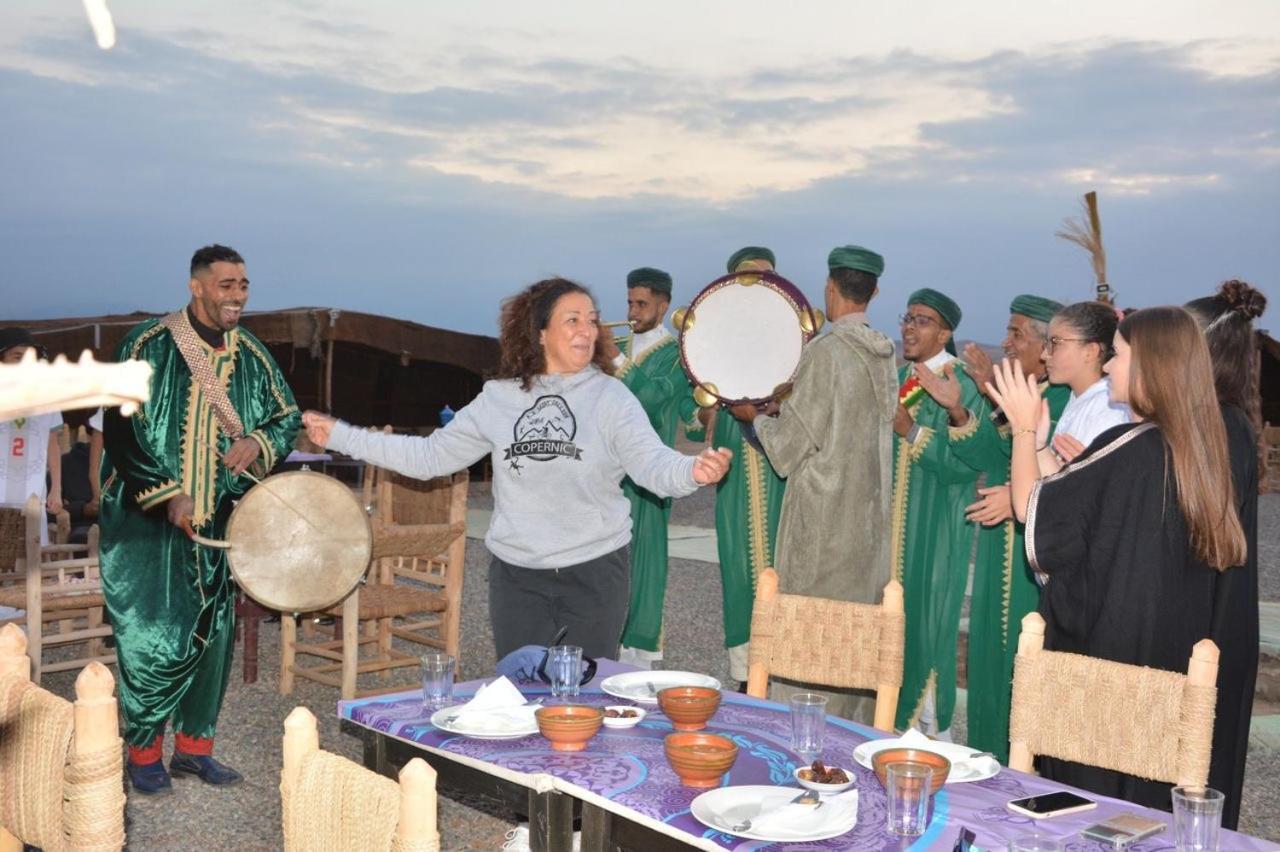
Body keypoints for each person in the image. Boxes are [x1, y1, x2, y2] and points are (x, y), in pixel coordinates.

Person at [302, 278, 731, 666]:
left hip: (596, 574)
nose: (588, 330)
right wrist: (341, 435)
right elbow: (431, 457)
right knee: (521, 699)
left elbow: (653, 465)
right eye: (573, 320)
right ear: (541, 333)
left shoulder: (611, 398)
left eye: (592, 321)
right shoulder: (499, 400)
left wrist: (694, 470)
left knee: (584, 705)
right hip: (517, 577)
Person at [989, 306, 1247, 812]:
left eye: (1120, 356)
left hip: (1107, 672)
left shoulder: (1133, 448)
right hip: (1164, 668)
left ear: (1152, 365)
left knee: (1089, 807)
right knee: (1142, 809)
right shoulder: (1195, 447)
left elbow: (1032, 510)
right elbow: (1071, 496)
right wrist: (1043, 448)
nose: (1108, 366)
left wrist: (1022, 431)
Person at [100, 245, 301, 794]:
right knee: (150, 635)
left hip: (220, 523)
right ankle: (142, 753)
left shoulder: (252, 354)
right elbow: (122, 431)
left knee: (213, 636)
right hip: (147, 522)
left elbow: (286, 416)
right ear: (196, 287)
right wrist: (167, 496)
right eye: (226, 284)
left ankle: (194, 748)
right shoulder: (145, 344)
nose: (237, 295)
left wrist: (257, 441)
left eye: (243, 285)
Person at [730, 245, 896, 723]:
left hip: (822, 530)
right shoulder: (884, 354)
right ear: (875, 291)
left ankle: (797, 749)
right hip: (866, 536)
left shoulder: (825, 353)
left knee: (808, 646)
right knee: (854, 650)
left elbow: (786, 452)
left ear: (829, 288)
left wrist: (753, 417)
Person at [951, 295, 1070, 762]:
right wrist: (962, 411)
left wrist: (1021, 498)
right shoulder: (1022, 391)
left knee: (1025, 671)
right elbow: (986, 457)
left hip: (1033, 563)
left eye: (1016, 334)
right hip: (998, 552)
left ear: (1045, 345)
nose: (1005, 342)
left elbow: (1065, 471)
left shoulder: (1061, 398)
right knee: (989, 666)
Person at [1186, 280, 1266, 830]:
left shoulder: (1223, 426)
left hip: (1212, 615)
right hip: (1210, 611)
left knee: (1200, 763)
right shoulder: (1221, 420)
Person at [692, 246, 788, 689]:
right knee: (738, 576)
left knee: (786, 575)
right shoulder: (710, 345)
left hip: (782, 477)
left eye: (766, 279)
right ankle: (744, 684)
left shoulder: (795, 343)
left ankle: (784, 676)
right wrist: (708, 415)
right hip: (734, 481)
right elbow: (698, 417)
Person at [889, 288, 983, 737]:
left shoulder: (959, 382)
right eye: (907, 317)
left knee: (931, 622)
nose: (909, 327)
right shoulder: (898, 378)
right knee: (895, 625)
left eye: (922, 321)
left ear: (945, 331)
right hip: (894, 529)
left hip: (938, 524)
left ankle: (936, 733)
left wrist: (911, 433)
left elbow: (963, 465)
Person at [599, 267, 701, 669]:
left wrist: (614, 358)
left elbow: (648, 398)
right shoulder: (617, 343)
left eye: (642, 303)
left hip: (647, 475)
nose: (633, 311)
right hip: (606, 471)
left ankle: (636, 660)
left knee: (643, 561)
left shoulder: (677, 354)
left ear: (664, 304)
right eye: (629, 302)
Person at [1040, 301, 1129, 468]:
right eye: (1046, 344)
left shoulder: (1108, 410)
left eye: (1055, 343)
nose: (1044, 355)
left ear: (1090, 351)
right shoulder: (1079, 397)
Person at [0, 328, 63, 544]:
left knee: (32, 560)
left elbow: (52, 443)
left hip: (33, 495)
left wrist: (56, 488)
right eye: (17, 357)